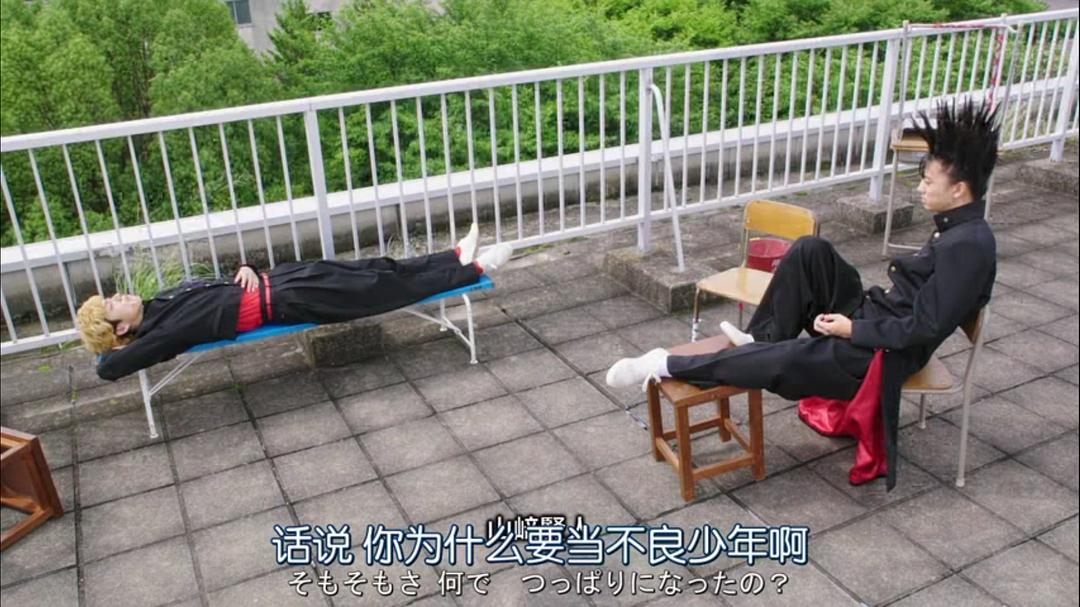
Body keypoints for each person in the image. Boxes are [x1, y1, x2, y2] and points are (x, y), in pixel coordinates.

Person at [606, 98, 1000, 488]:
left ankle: (664, 364)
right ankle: (762, 337)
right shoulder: (958, 229)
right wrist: (856, 322)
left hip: (884, 352)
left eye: (929, 182)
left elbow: (925, 327)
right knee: (812, 251)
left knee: (784, 359)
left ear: (958, 190)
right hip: (878, 318)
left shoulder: (968, 247)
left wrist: (851, 330)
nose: (920, 188)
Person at [77, 224, 513, 381]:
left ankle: (452, 256)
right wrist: (108, 348)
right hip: (291, 301)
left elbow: (218, 285)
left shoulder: (160, 302)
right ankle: (474, 270)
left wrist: (245, 267)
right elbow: (109, 369)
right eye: (113, 305)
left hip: (284, 279)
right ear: (121, 329)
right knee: (380, 290)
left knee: (375, 268)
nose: (120, 296)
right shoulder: (160, 333)